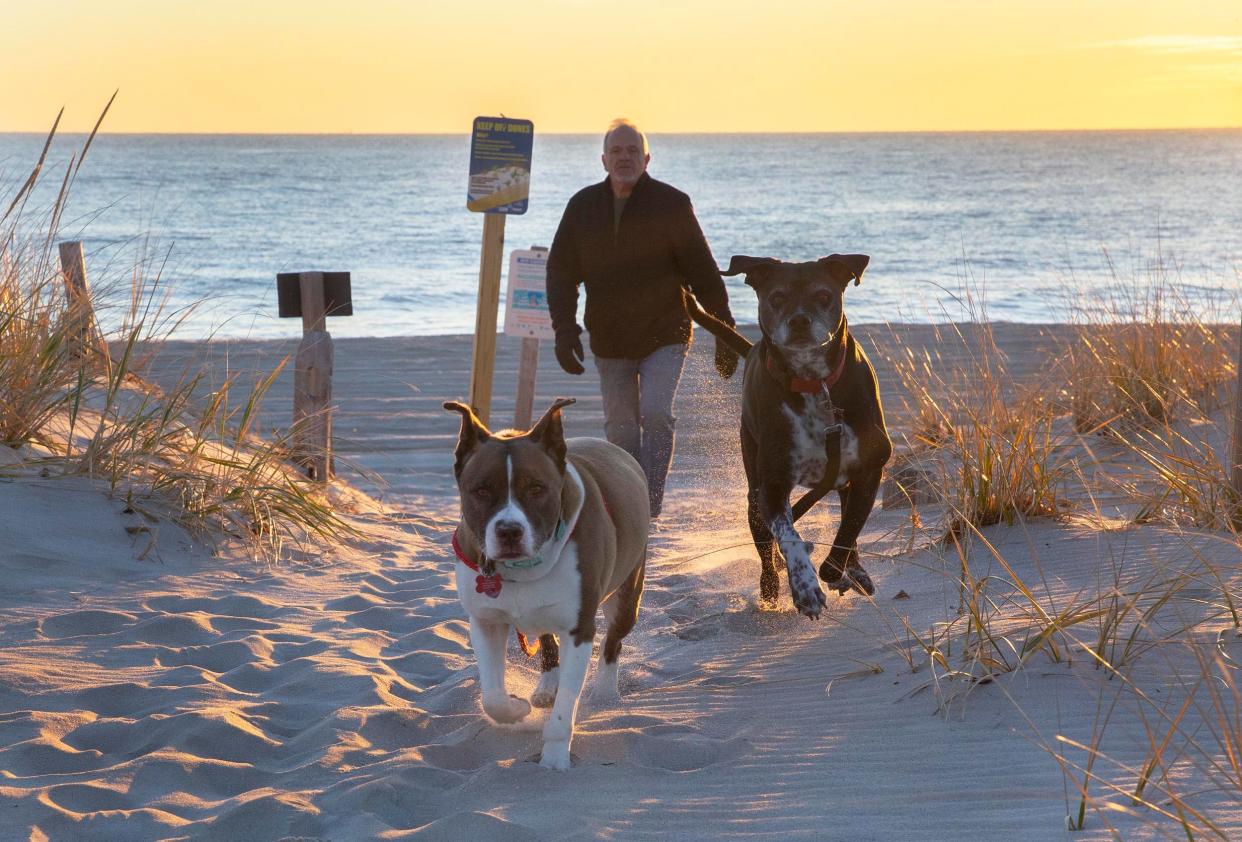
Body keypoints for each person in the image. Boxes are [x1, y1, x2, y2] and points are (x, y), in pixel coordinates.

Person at [546, 118, 738, 520]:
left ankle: (648, 503)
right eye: (616, 151)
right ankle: (628, 497)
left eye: (633, 150)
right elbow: (561, 272)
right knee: (620, 431)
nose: (624, 158)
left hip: (664, 333)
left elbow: (703, 271)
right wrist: (565, 330)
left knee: (656, 413)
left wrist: (725, 332)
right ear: (603, 159)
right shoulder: (583, 207)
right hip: (610, 340)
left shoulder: (672, 204)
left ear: (647, 158)